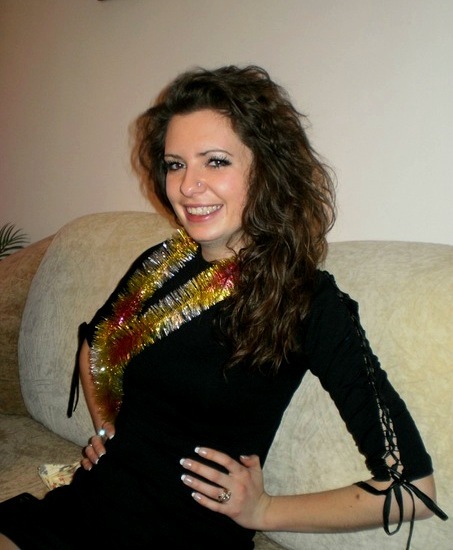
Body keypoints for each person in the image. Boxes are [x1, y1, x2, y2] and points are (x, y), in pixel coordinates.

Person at [0, 65, 447, 549]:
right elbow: (96, 342)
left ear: (268, 169)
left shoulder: (304, 300)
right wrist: (108, 431)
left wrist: (265, 510)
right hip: (82, 509)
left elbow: (412, 489)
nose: (187, 186)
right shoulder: (161, 262)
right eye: (175, 164)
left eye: (215, 162)